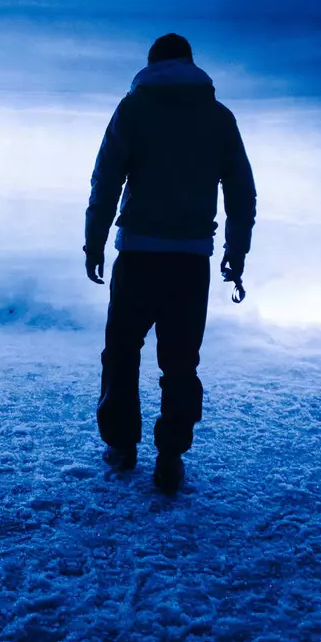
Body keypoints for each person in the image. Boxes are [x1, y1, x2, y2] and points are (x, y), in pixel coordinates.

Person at [84, 33, 256, 493]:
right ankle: (171, 457)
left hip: (137, 255)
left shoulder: (133, 110)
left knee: (121, 354)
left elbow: (106, 181)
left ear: (151, 63)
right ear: (191, 63)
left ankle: (121, 446)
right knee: (180, 361)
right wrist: (235, 253)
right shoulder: (219, 118)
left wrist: (93, 242)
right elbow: (241, 193)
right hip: (189, 261)